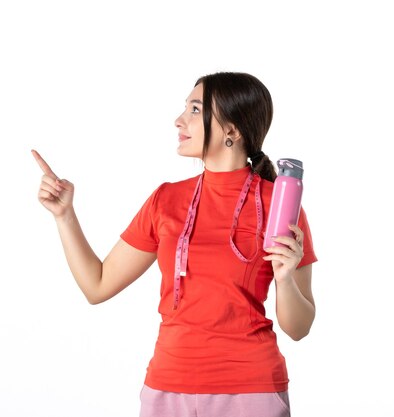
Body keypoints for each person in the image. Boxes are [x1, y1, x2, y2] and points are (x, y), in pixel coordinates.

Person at [31, 71, 317, 417]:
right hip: (166, 386)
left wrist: (285, 278)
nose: (179, 120)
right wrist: (64, 216)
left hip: (250, 388)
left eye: (195, 110)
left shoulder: (280, 206)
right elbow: (98, 285)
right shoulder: (166, 200)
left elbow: (299, 328)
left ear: (232, 130)